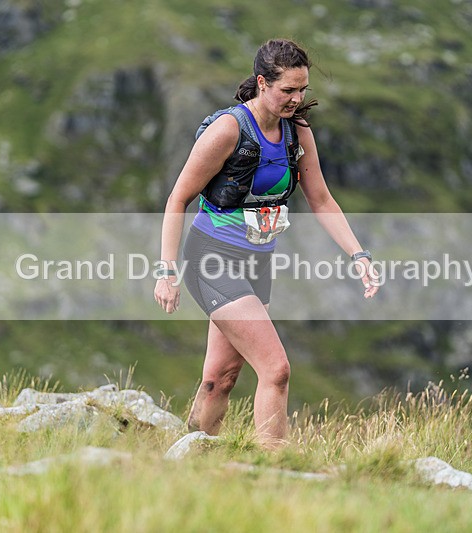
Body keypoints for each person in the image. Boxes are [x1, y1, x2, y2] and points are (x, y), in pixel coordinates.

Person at [154, 38, 379, 449]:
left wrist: (358, 255)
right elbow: (178, 198)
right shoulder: (229, 130)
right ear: (262, 82)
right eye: (288, 90)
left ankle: (188, 458)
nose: (297, 98)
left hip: (258, 262)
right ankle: (274, 468)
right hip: (212, 260)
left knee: (220, 378)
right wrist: (166, 271)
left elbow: (322, 199)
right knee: (275, 369)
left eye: (303, 89)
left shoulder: (298, 133)